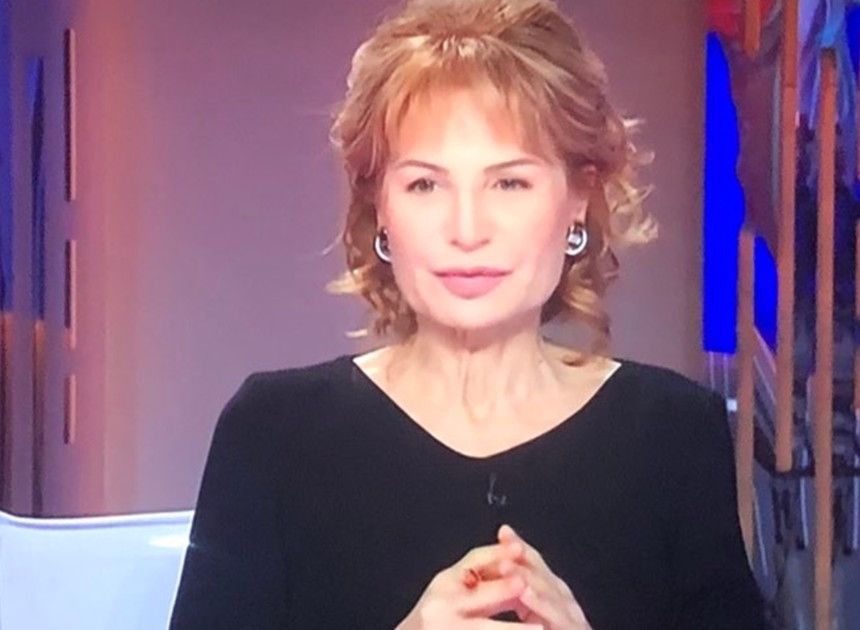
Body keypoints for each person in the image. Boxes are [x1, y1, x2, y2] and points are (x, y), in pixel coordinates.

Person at [168, 0, 767, 628]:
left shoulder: (674, 434)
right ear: (379, 209)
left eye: (509, 183)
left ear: (579, 198)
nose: (467, 229)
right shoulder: (273, 434)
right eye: (425, 185)